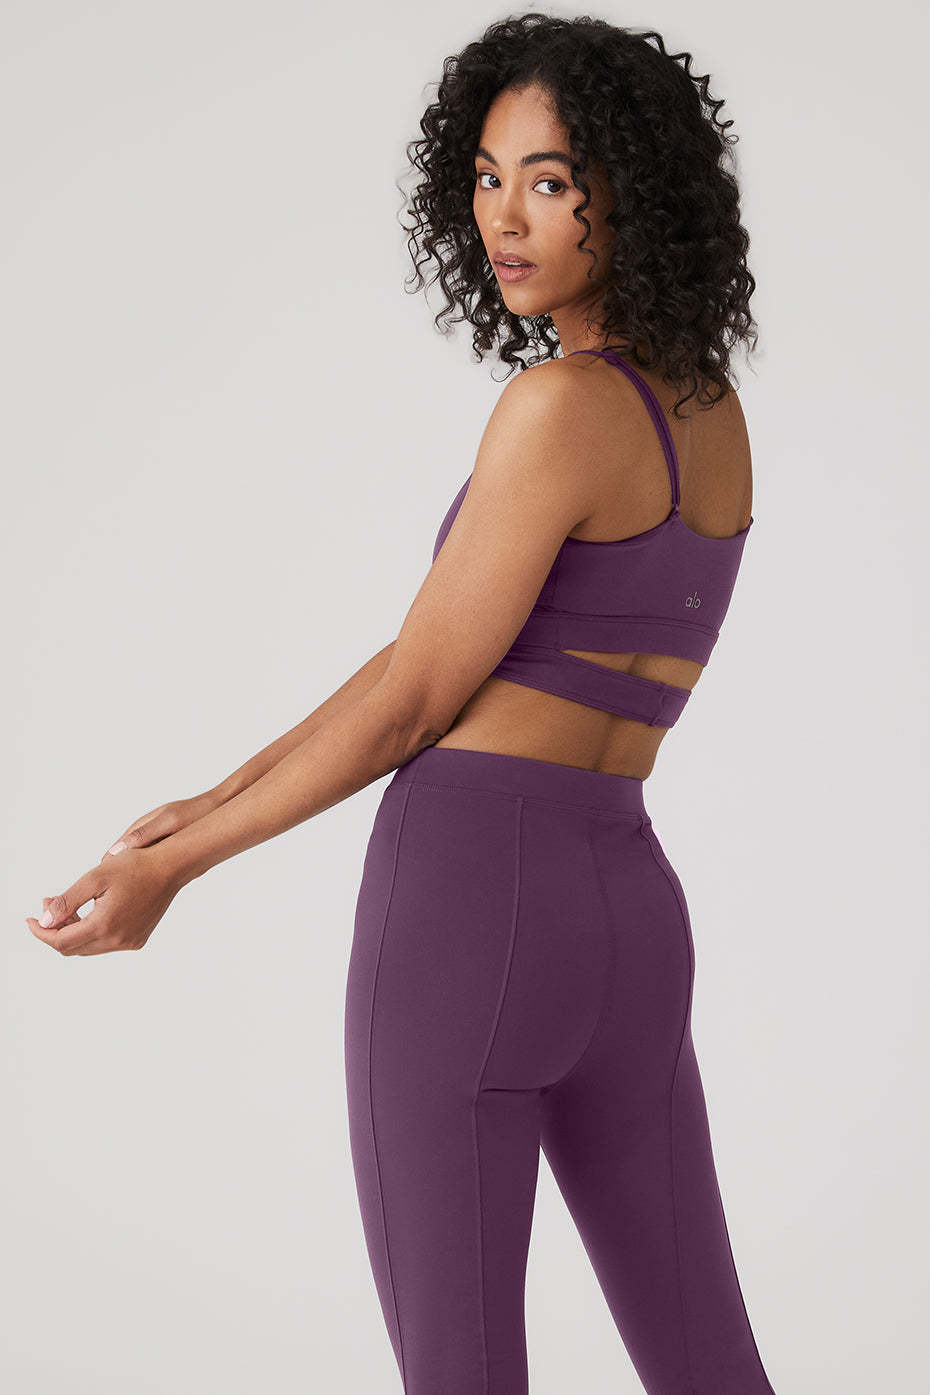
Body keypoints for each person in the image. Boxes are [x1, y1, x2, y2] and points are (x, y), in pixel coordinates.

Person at [27, 15, 777, 1395]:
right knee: (708, 1363)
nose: (504, 217)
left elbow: (417, 702)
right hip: (626, 902)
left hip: (472, 902)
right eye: (486, 177)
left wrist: (177, 870)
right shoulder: (707, 413)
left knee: (460, 1370)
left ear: (633, 190)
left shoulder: (558, 406)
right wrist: (210, 796)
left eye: (550, 180)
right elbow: (431, 659)